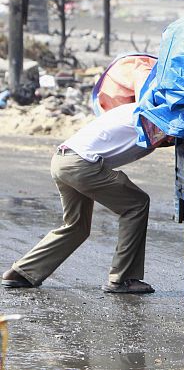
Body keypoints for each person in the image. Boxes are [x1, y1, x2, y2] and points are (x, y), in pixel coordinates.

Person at [1, 103, 165, 294]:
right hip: (82, 164)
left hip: (63, 160)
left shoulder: (136, 109)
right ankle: (123, 279)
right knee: (136, 204)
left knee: (76, 226)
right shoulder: (154, 115)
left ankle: (21, 273)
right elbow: (171, 133)